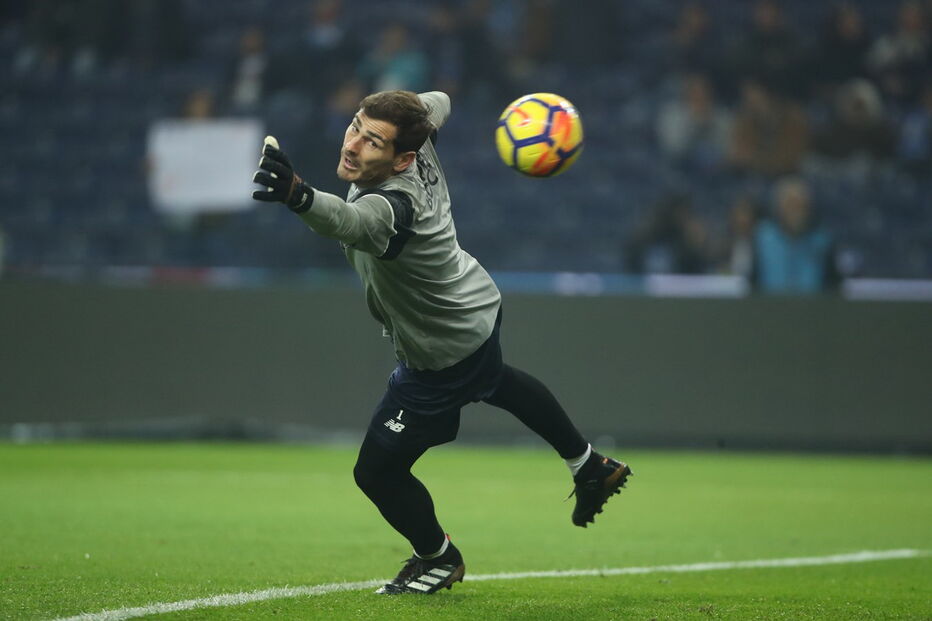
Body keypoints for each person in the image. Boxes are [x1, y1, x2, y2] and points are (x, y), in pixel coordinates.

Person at [251, 90, 631, 595]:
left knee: (377, 472)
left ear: (404, 158)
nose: (354, 145)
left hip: (442, 349)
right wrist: (418, 106)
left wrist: (297, 193)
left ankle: (438, 556)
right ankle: (588, 465)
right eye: (356, 127)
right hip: (472, 304)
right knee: (497, 381)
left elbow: (350, 222)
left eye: (373, 142)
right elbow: (442, 99)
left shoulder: (395, 205)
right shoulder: (416, 130)